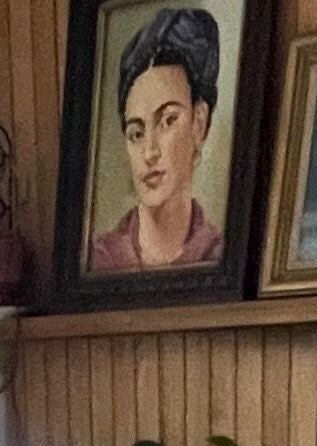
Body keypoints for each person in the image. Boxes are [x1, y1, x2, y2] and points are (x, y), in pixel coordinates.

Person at [89, 7, 225, 270]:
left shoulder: (219, 255)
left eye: (167, 121)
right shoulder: (99, 261)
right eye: (136, 133)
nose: (149, 152)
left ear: (199, 123)